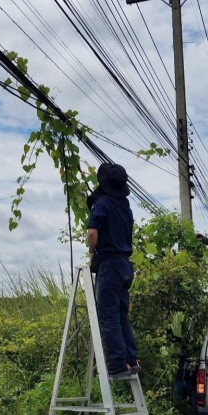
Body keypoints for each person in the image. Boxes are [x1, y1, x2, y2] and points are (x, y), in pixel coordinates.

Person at [86, 162, 140, 379]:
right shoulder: (125, 207)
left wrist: (92, 252)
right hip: (125, 265)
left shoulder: (103, 203)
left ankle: (118, 364)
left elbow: (92, 233)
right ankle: (131, 360)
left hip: (109, 263)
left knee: (108, 316)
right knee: (121, 315)